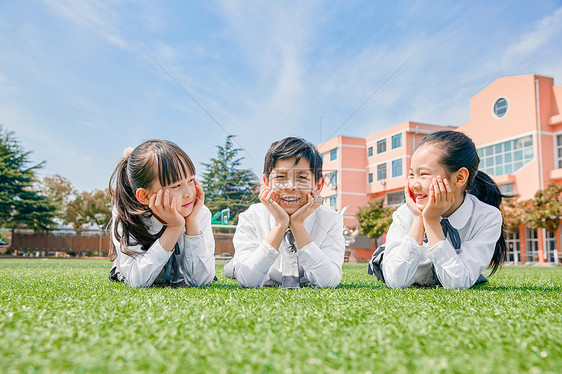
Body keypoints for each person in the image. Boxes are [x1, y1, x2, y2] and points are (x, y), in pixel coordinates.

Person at [379, 130, 507, 289]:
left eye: (423, 174)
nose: (414, 185)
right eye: (412, 174)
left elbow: (457, 284)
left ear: (459, 178)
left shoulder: (487, 217)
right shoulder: (404, 215)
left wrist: (432, 222)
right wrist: (419, 219)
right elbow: (396, 282)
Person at [224, 137, 345, 288]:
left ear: (318, 185)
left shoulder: (331, 219)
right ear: (267, 182)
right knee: (232, 269)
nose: (289, 186)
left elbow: (328, 282)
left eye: (301, 177)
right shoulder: (251, 217)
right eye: (280, 177)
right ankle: (232, 264)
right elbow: (248, 281)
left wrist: (297, 225)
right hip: (250, 268)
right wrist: (280, 225)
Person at [108, 140, 215, 288]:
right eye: (176, 186)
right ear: (145, 196)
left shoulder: (199, 213)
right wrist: (174, 227)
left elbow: (201, 281)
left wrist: (191, 224)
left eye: (191, 180)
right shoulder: (127, 215)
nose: (189, 194)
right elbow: (137, 280)